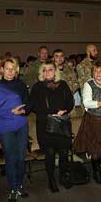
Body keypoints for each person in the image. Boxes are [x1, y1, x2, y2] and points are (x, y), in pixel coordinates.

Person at [0, 58, 31, 202]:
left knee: (20, 158)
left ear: (17, 70)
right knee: (10, 158)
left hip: (21, 125)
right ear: (1, 70)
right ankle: (13, 188)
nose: (10, 71)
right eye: (7, 68)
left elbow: (29, 105)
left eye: (13, 68)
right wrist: (10, 111)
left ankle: (19, 186)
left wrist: (23, 111)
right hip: (6, 128)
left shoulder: (21, 85)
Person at [30, 61, 74, 192]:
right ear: (42, 73)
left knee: (64, 153)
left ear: (55, 71)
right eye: (45, 70)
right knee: (49, 154)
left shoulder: (63, 84)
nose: (48, 72)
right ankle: (51, 179)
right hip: (46, 124)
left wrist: (64, 110)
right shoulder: (37, 87)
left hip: (62, 123)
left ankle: (62, 176)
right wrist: (51, 112)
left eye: (50, 69)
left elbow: (70, 102)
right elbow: (34, 106)